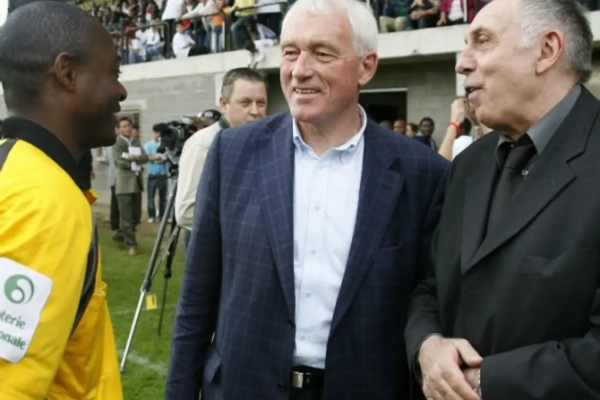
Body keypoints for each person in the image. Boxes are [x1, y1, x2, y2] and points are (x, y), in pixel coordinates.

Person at [165, 0, 449, 399]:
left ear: (366, 66)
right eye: (290, 52)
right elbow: (197, 297)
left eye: (322, 53)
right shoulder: (232, 153)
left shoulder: (422, 173)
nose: (300, 69)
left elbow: (428, 299)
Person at [404, 1, 600, 399]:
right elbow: (430, 287)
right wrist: (428, 346)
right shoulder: (468, 165)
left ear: (547, 50)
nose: (462, 63)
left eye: (483, 41)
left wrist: (484, 380)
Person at [0, 1, 126, 399]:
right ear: (67, 73)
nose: (121, 90)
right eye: (113, 73)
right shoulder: (44, 201)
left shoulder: (13, 166)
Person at [174, 67, 268, 249]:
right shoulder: (203, 144)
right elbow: (186, 212)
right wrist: (253, 223)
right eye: (245, 102)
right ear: (224, 104)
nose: (255, 111)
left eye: (261, 103)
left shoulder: (265, 141)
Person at [112, 117, 148, 256]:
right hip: (124, 184)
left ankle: (120, 235)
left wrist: (135, 158)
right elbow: (119, 161)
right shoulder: (117, 143)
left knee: (136, 216)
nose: (127, 128)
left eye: (129, 126)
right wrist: (130, 159)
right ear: (119, 129)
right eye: (124, 126)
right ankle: (131, 244)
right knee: (126, 216)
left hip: (136, 182)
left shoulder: (135, 141)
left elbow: (144, 157)